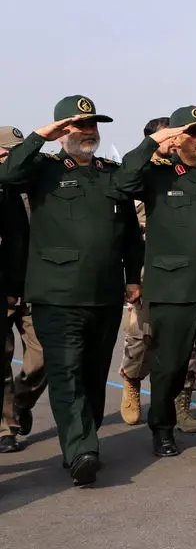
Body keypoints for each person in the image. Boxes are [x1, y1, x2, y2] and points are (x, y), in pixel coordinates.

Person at [0, 97, 143, 485]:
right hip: (56, 293)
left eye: (93, 125)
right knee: (66, 374)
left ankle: (81, 439)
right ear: (63, 130)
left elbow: (130, 232)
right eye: (80, 125)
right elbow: (7, 174)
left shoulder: (111, 173)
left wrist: (132, 277)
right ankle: (81, 450)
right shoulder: (42, 169)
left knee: (94, 376)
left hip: (104, 293)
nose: (88, 132)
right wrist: (40, 136)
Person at [112, 105, 196, 470]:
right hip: (172, 289)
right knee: (170, 366)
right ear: (177, 137)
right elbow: (123, 181)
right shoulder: (157, 176)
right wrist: (155, 141)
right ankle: (162, 426)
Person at [117, 116, 196, 431]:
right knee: (142, 337)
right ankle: (132, 381)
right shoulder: (139, 174)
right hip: (147, 268)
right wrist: (131, 277)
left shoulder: (187, 173)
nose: (173, 142)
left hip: (184, 273)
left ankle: (181, 403)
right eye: (167, 137)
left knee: (187, 343)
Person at [0, 125, 38, 455]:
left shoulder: (36, 186)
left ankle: (22, 403)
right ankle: (6, 427)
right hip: (2, 289)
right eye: (7, 151)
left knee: (45, 359)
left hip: (36, 287)